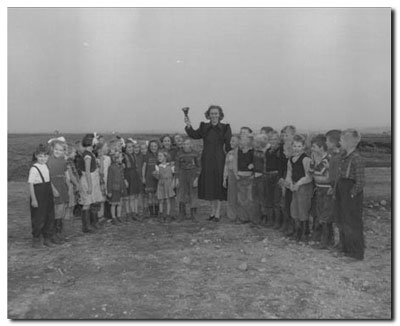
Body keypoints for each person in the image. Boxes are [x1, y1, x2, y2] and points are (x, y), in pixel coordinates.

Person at [184, 105, 232, 221]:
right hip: (207, 158)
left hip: (219, 159)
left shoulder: (226, 127)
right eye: (212, 113)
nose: (214, 115)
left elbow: (229, 145)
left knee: (218, 184)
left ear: (220, 115)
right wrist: (188, 126)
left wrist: (232, 156)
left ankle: (217, 213)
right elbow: (194, 135)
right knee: (210, 185)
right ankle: (211, 212)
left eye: (216, 113)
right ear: (208, 115)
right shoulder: (204, 126)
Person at [334, 129, 365, 260]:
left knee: (353, 221)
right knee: (342, 219)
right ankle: (346, 248)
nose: (339, 142)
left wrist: (352, 194)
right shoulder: (344, 156)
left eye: (341, 140)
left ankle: (356, 252)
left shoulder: (356, 158)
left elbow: (360, 181)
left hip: (351, 192)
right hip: (342, 189)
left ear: (349, 142)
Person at [285, 134, 313, 242]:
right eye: (295, 146)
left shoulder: (305, 159)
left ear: (303, 147)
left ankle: (305, 233)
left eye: (299, 146)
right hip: (295, 186)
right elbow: (289, 172)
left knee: (303, 209)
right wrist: (289, 183)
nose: (296, 149)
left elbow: (308, 176)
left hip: (304, 187)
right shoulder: (291, 159)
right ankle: (297, 230)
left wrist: (299, 183)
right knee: (294, 208)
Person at [28, 144, 56, 248]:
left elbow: (49, 180)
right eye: (40, 156)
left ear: (48, 156)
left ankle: (47, 238)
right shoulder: (34, 168)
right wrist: (34, 199)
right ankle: (36, 239)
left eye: (45, 156)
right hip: (38, 193)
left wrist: (54, 190)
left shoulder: (45, 166)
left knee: (49, 215)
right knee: (39, 217)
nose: (43, 158)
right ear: (36, 156)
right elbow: (30, 184)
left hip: (48, 192)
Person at [309, 135, 334, 249]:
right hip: (319, 188)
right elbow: (311, 172)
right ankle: (320, 237)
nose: (312, 149)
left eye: (314, 147)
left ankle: (327, 240)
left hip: (327, 190)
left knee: (326, 215)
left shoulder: (327, 160)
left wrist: (314, 161)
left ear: (320, 147)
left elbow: (317, 171)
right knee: (319, 213)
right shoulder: (316, 159)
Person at [79, 134, 104, 233]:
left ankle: (93, 222)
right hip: (88, 180)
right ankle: (86, 226)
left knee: (92, 201)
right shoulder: (87, 155)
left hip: (93, 179)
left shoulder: (89, 153)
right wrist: (89, 186)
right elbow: (87, 171)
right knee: (87, 203)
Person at [47, 139, 69, 243]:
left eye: (60, 150)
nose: (58, 151)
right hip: (53, 186)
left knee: (61, 209)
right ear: (52, 149)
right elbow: (47, 178)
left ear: (64, 151)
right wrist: (53, 189)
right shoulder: (49, 161)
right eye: (56, 149)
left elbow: (65, 174)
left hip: (62, 185)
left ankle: (59, 232)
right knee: (54, 210)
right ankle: (52, 234)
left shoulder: (63, 161)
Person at [175, 139, 201, 220]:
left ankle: (194, 213)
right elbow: (177, 167)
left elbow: (199, 166)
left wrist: (197, 178)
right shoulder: (179, 154)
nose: (185, 146)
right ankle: (182, 213)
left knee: (193, 194)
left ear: (191, 145)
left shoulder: (196, 153)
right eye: (184, 144)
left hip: (192, 175)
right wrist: (177, 178)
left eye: (187, 144)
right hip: (182, 175)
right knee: (181, 194)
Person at [325, 129, 342, 250]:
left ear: (333, 142)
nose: (326, 143)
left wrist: (334, 188)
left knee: (339, 217)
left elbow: (338, 175)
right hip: (335, 187)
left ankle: (341, 242)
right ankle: (335, 240)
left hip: (339, 189)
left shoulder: (338, 156)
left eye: (327, 140)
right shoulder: (334, 155)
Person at [279, 125, 296, 237]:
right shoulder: (282, 147)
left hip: (293, 176)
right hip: (284, 174)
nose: (285, 137)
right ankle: (286, 223)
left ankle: (293, 227)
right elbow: (280, 164)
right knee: (284, 201)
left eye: (287, 135)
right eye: (283, 135)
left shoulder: (295, 147)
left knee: (292, 202)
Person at [264, 130, 283, 229]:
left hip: (276, 176)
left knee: (276, 200)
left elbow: (281, 166)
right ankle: (269, 220)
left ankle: (277, 222)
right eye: (271, 139)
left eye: (275, 139)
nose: (273, 141)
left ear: (279, 140)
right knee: (269, 199)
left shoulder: (280, 151)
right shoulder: (268, 151)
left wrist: (280, 177)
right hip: (268, 175)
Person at [236, 135, 256, 224]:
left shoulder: (253, 152)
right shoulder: (238, 151)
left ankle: (251, 218)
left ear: (249, 141)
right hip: (240, 177)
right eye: (241, 140)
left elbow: (258, 163)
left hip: (249, 178)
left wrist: (253, 166)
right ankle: (242, 218)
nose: (241, 142)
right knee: (240, 199)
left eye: (244, 140)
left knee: (249, 199)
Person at [252, 134, 269, 225]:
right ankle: (257, 217)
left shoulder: (264, 153)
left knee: (262, 198)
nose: (254, 143)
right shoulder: (254, 152)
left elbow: (265, 166)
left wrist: (261, 173)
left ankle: (264, 216)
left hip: (262, 177)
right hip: (255, 176)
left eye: (256, 141)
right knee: (255, 197)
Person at [154, 151, 175, 222]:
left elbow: (174, 174)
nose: (159, 157)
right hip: (161, 184)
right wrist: (156, 175)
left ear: (165, 157)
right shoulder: (157, 167)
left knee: (168, 200)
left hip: (168, 184)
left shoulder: (170, 166)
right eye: (158, 156)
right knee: (161, 200)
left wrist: (173, 183)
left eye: (160, 156)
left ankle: (168, 215)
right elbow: (157, 177)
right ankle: (161, 214)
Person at [107, 150, 127, 224]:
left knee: (119, 203)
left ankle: (118, 216)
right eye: (120, 158)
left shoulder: (121, 167)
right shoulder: (111, 168)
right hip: (114, 188)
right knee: (113, 203)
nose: (121, 159)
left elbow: (122, 177)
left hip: (120, 188)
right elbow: (109, 179)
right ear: (116, 159)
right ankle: (113, 217)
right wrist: (109, 190)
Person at [123, 140, 142, 220]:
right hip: (128, 177)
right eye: (129, 147)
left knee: (135, 195)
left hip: (134, 176)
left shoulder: (134, 155)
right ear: (125, 148)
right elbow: (122, 170)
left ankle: (135, 212)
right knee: (129, 196)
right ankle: (129, 213)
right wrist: (124, 179)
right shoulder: (124, 157)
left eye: (132, 147)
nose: (131, 149)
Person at [223, 135, 240, 221]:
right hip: (231, 175)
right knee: (231, 195)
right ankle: (231, 214)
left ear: (238, 142)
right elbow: (226, 166)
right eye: (230, 141)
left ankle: (240, 214)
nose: (231, 143)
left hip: (240, 176)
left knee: (240, 196)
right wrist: (224, 178)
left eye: (233, 141)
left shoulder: (241, 153)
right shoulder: (229, 153)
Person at [142, 140, 159, 217]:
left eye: (155, 146)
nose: (153, 147)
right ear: (149, 147)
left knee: (156, 196)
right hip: (149, 178)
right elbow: (144, 167)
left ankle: (157, 212)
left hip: (157, 178)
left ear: (158, 146)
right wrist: (143, 177)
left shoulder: (159, 154)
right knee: (150, 196)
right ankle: (151, 212)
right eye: (151, 146)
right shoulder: (147, 155)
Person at [95, 142, 111, 221]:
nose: (107, 147)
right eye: (106, 146)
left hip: (107, 181)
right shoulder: (95, 160)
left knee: (105, 199)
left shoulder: (108, 158)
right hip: (100, 182)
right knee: (100, 200)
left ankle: (106, 215)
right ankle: (99, 216)